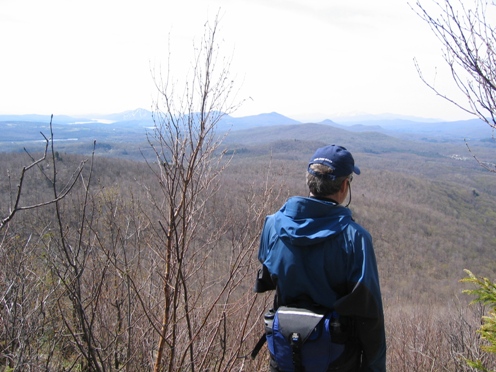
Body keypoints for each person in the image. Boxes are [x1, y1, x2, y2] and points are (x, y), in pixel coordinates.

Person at [255, 144, 386, 371]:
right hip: (337, 360)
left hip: (285, 355)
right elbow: (369, 315)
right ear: (345, 186)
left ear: (309, 182)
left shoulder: (273, 225)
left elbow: (265, 279)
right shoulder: (355, 239)